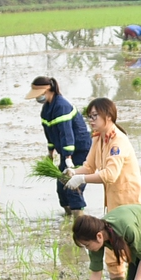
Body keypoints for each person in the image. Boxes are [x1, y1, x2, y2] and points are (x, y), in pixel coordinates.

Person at [64, 97, 141, 280]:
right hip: (114, 205)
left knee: (135, 252)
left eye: (94, 116)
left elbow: (109, 174)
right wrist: (74, 172)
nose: (91, 120)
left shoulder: (118, 141)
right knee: (112, 255)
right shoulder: (98, 138)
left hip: (132, 202)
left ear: (108, 117)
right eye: (89, 117)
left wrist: (82, 179)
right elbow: (90, 166)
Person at [27, 76, 91, 216]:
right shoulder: (46, 110)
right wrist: (50, 153)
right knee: (61, 187)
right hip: (65, 151)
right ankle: (69, 221)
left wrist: (68, 159)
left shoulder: (62, 106)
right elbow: (50, 133)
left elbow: (66, 134)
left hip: (79, 149)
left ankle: (80, 222)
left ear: (47, 90)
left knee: (72, 185)